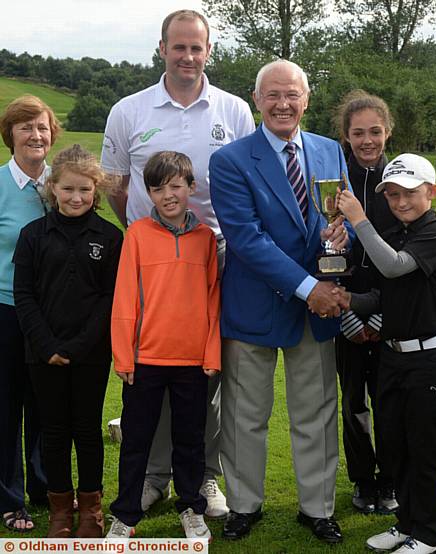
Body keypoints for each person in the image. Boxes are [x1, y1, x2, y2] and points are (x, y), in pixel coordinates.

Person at [101, 8, 254, 518]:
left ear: (208, 51)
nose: (188, 56)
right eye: (178, 46)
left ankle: (204, 478)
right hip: (152, 266)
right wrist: (147, 239)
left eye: (197, 47)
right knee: (150, 372)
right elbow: (117, 188)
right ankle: (152, 477)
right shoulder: (129, 110)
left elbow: (247, 189)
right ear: (162, 48)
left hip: (219, 262)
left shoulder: (233, 111)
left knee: (204, 378)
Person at [209, 59, 350, 544]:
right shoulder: (229, 160)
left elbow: (341, 216)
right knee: (246, 414)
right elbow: (246, 240)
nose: (283, 104)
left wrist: (340, 235)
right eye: (272, 95)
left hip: (319, 304)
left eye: (292, 94)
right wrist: (311, 289)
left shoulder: (331, 151)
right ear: (256, 101)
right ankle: (244, 505)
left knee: (316, 411)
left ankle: (317, 508)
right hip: (258, 304)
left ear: (306, 100)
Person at [336, 153, 436, 554]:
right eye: (391, 195)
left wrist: (358, 219)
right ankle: (406, 522)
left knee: (426, 449)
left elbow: (394, 268)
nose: (400, 202)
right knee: (396, 444)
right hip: (394, 356)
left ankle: (428, 535)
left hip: (430, 359)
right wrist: (342, 298)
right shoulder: (401, 231)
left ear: (432, 192)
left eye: (408, 193)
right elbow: (383, 294)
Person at [106, 151, 220, 540]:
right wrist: (124, 353)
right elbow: (125, 299)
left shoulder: (205, 238)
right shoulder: (137, 234)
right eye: (158, 188)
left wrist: (211, 351)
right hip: (145, 360)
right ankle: (124, 516)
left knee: (190, 441)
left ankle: (191, 507)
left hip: (191, 360)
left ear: (191, 187)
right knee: (136, 441)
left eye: (176, 186)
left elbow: (213, 300)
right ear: (148, 192)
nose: (168, 195)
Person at [13, 145, 123, 538]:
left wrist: (76, 347)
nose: (76, 198)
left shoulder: (110, 237)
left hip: (91, 355)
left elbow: (110, 299)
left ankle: (91, 509)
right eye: (68, 189)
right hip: (42, 355)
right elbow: (23, 295)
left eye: (85, 190)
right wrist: (48, 346)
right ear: (52, 189)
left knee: (88, 431)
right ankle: (61, 510)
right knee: (54, 432)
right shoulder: (33, 236)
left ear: (96, 190)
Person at [334, 90, 397, 514]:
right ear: (346, 135)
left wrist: (379, 310)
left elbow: (407, 252)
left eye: (375, 131)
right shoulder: (332, 177)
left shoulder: (401, 177)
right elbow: (323, 247)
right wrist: (347, 310)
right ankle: (361, 480)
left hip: (393, 310)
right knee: (354, 400)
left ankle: (390, 480)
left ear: (387, 131)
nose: (367, 140)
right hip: (346, 309)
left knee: (390, 401)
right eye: (358, 133)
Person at [0, 95, 60, 532]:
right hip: (5, 310)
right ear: (10, 136)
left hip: (52, 316)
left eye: (41, 127)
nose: (35, 135)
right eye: (25, 127)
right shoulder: (1, 185)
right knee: (6, 408)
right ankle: (9, 498)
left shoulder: (63, 186)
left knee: (47, 406)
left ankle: (45, 488)